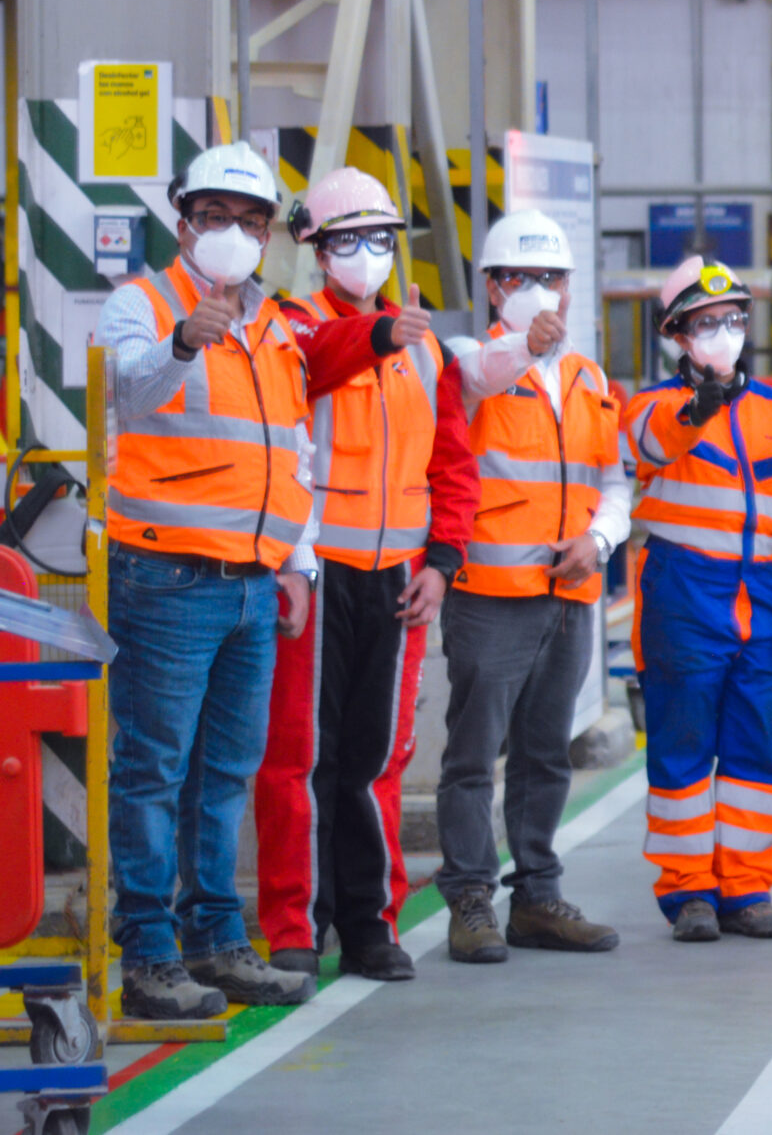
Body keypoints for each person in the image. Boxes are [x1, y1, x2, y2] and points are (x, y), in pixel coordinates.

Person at [101, 142, 432, 1018]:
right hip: (165, 576)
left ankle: (215, 941)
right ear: (183, 222)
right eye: (216, 219)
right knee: (153, 771)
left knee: (226, 776)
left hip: (254, 584)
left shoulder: (276, 330)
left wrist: (293, 562)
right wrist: (180, 343)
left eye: (251, 223)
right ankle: (148, 951)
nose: (234, 236)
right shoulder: (141, 304)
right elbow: (129, 394)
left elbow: (292, 453)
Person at [256, 168, 478, 983]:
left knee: (373, 759)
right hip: (315, 572)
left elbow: (453, 463)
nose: (370, 254)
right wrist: (380, 337)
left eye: (381, 239)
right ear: (314, 250)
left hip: (397, 579)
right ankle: (292, 925)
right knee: (298, 758)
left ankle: (369, 921)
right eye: (350, 240)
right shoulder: (288, 329)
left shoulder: (422, 346)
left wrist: (444, 564)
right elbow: (316, 363)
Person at [436, 209, 628, 964]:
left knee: (548, 753)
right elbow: (481, 380)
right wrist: (523, 345)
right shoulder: (466, 360)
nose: (540, 292)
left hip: (569, 596)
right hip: (488, 594)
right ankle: (470, 900)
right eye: (522, 278)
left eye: (552, 279)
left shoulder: (589, 379)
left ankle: (537, 898)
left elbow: (612, 481)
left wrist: (600, 540)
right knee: (473, 755)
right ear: (492, 288)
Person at [625, 257, 772, 942]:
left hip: (767, 602)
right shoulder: (653, 409)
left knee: (755, 753)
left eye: (733, 320)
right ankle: (688, 893)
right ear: (677, 335)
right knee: (682, 751)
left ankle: (746, 887)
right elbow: (652, 444)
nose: (722, 333)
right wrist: (696, 410)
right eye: (706, 323)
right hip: (685, 598)